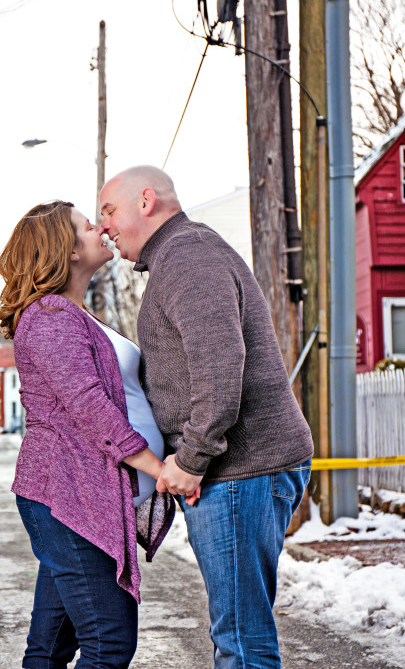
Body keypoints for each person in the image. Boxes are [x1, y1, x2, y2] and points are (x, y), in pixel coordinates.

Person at [98, 165, 314, 668]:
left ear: (145, 201)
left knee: (240, 639)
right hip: (237, 474)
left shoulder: (188, 258)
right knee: (236, 632)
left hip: (240, 473)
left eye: (109, 211)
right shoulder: (177, 258)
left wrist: (191, 459)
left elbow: (220, 371)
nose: (104, 225)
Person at [0, 200, 180, 669]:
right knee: (109, 641)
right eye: (85, 225)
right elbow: (87, 405)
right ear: (67, 250)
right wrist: (157, 468)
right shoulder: (51, 315)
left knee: (52, 645)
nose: (99, 227)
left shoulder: (75, 314)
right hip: (68, 496)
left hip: (77, 498)